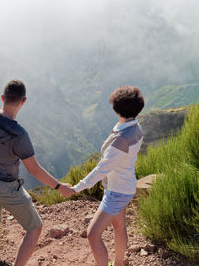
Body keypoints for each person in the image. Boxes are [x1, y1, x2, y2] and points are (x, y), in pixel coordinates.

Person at [0, 79, 75, 266]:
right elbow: (34, 169)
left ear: (2, 97)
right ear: (23, 101)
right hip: (6, 187)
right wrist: (59, 186)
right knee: (35, 228)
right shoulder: (19, 134)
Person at [71, 86, 144, 266]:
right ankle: (118, 263)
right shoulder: (136, 127)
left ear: (116, 109)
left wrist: (76, 188)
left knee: (93, 234)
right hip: (125, 186)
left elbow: (101, 169)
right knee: (119, 228)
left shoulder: (121, 139)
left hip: (117, 192)